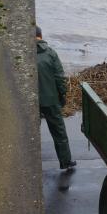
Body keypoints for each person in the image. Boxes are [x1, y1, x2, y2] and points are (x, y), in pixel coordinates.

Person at [36, 26, 76, 170]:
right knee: (59, 132)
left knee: (32, 132)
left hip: (33, 101)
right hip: (51, 99)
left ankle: (30, 162)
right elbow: (59, 77)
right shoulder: (50, 53)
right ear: (41, 35)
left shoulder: (25, 54)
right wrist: (62, 96)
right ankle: (65, 161)